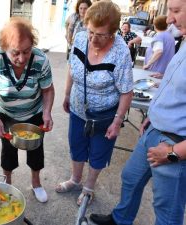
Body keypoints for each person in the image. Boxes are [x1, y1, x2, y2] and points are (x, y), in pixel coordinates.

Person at [90, 0, 186, 224]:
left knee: (167, 211)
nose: (169, 19)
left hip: (175, 145)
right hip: (154, 131)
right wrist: (153, 115)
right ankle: (121, 219)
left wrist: (173, 152)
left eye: (176, 11)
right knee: (130, 178)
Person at [55, 0, 133, 206]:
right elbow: (72, 68)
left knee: (98, 152)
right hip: (78, 107)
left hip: (104, 115)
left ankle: (89, 188)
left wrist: (117, 121)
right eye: (91, 32)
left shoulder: (121, 52)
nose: (93, 38)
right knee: (77, 145)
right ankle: (75, 179)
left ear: (113, 32)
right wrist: (66, 94)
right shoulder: (80, 39)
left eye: (100, 35)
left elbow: (127, 91)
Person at [0, 17, 55, 203]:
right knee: (8, 150)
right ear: (4, 47)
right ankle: (7, 185)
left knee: (36, 149)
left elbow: (48, 89)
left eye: (26, 51)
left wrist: (47, 112)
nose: (22, 58)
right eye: (15, 52)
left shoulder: (40, 60)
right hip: (5, 113)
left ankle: (36, 183)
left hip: (34, 111)